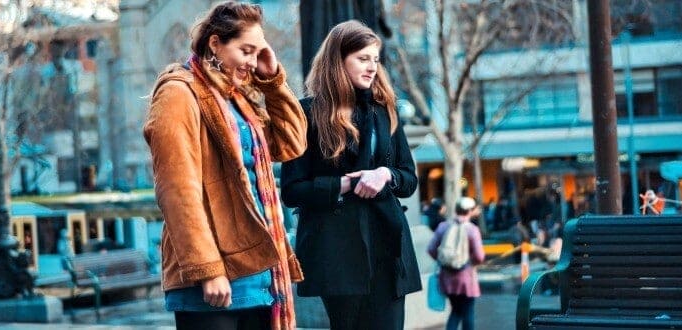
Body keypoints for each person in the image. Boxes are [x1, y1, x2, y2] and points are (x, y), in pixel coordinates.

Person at [143, 2, 306, 329]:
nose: (251, 61)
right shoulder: (178, 93)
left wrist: (272, 82)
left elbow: (291, 142)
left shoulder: (239, 100)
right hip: (213, 279)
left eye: (257, 52)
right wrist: (208, 269)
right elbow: (178, 190)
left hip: (258, 274)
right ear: (215, 43)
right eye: (246, 50)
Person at [281, 20, 421, 330]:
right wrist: (343, 184)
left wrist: (385, 175)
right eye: (362, 58)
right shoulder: (306, 113)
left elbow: (408, 178)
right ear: (338, 59)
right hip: (337, 252)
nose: (372, 66)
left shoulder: (385, 112)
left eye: (374, 58)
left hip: (387, 245)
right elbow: (291, 190)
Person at [427, 197, 485, 330]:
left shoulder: (443, 226)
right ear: (470, 211)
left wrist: (445, 261)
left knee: (456, 311)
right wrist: (471, 263)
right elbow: (479, 256)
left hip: (447, 277)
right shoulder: (472, 229)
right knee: (468, 312)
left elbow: (431, 249)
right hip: (466, 278)